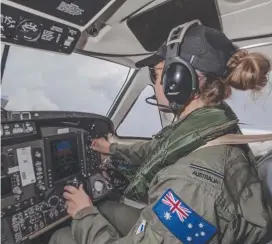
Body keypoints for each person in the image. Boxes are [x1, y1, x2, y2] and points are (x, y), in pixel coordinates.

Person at [49, 23, 272, 244]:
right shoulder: (212, 125)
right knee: (106, 207)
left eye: (156, 74)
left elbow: (189, 188)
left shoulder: (189, 185)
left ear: (178, 80)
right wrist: (112, 149)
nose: (155, 83)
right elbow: (160, 148)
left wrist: (83, 213)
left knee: (62, 236)